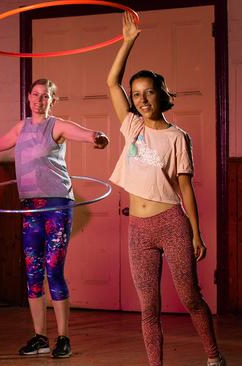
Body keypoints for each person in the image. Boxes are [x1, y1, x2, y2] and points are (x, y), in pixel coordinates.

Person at [0, 79, 109, 359]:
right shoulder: (21, 127)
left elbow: (86, 134)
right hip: (29, 205)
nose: (39, 100)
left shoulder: (57, 126)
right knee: (32, 273)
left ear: (52, 100)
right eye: (35, 94)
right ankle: (40, 337)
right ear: (28, 97)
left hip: (56, 204)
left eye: (45, 96)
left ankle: (63, 338)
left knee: (53, 271)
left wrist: (97, 138)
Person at [106, 13, 226, 366]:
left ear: (161, 94)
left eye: (148, 93)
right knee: (149, 307)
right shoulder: (131, 126)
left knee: (190, 298)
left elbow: (185, 189)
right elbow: (112, 83)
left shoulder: (177, 137)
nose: (142, 100)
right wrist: (128, 41)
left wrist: (196, 235)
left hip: (171, 224)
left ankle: (214, 358)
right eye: (136, 95)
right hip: (139, 231)